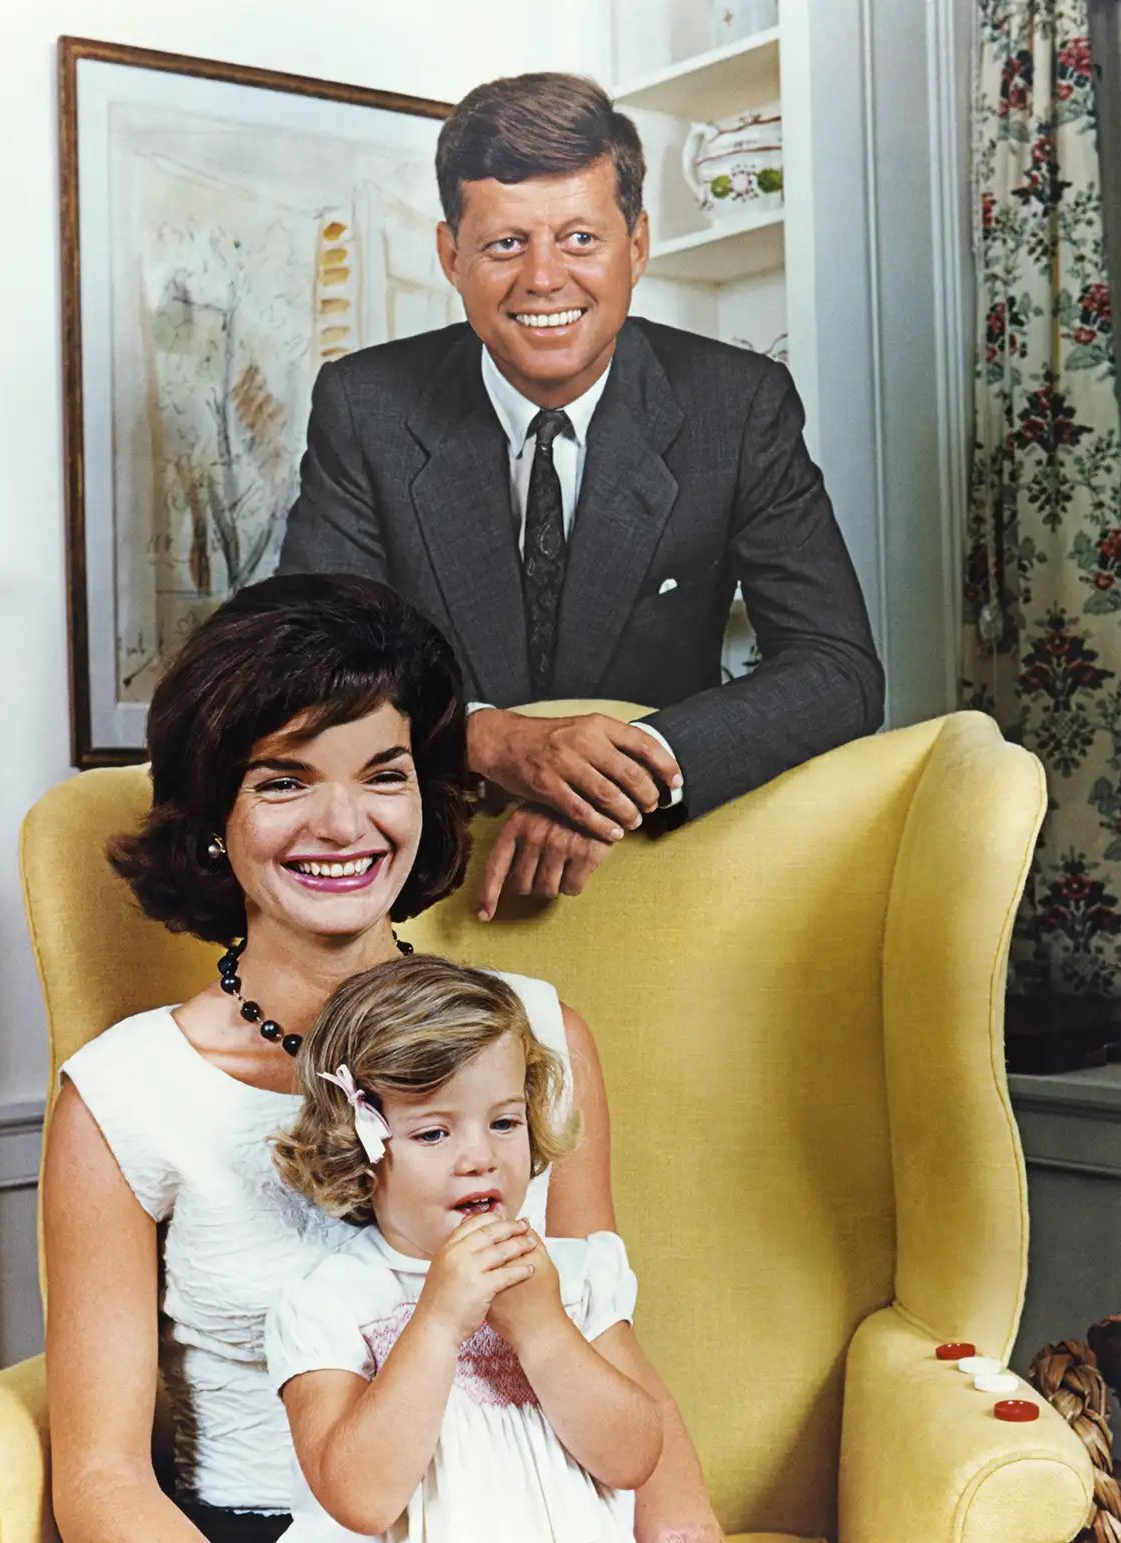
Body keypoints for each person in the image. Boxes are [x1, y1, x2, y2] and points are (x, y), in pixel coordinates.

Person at [42, 573, 722, 1543]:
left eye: (383, 774)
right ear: (212, 813)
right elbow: (103, 1477)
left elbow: (617, 1361)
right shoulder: (126, 1095)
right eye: (284, 780)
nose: (342, 824)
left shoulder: (539, 1038)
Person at [278, 72, 884, 919]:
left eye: (579, 239)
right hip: (429, 883)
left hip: (662, 869)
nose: (543, 278)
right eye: (505, 244)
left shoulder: (738, 405)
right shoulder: (364, 405)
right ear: (451, 255)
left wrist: (619, 777)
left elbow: (838, 669)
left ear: (637, 244)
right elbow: (304, 663)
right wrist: (490, 739)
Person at [266, 954, 661, 1541]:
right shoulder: (330, 1304)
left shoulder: (576, 1276)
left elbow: (633, 1459)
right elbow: (360, 1500)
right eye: (433, 1133)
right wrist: (438, 1322)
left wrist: (543, 1329)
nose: (481, 1158)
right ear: (358, 1150)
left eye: (504, 1123)